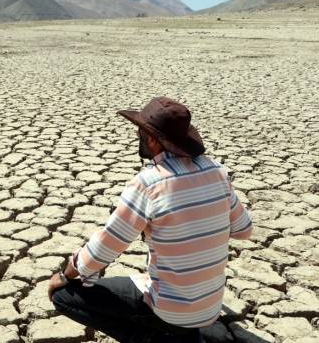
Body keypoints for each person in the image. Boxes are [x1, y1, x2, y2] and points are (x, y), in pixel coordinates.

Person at [49, 97, 253, 343]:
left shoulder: (150, 183)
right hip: (209, 307)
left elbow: (107, 245)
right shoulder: (216, 171)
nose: (139, 136)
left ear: (154, 140)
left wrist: (66, 274)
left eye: (142, 132)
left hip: (170, 312)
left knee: (64, 297)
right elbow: (243, 230)